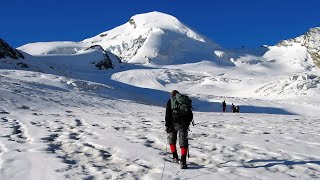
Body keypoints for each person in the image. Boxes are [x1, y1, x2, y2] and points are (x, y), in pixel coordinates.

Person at [165, 90, 193, 169]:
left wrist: (167, 125)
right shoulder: (184, 101)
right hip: (184, 123)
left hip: (173, 123)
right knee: (183, 140)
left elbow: (168, 114)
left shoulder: (170, 101)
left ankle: (175, 157)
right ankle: (183, 161)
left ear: (172, 95)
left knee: (172, 139)